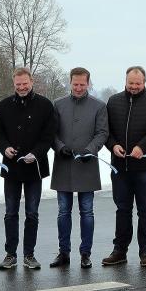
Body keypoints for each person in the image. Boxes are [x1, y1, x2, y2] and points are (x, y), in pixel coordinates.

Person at [103, 66, 146, 267]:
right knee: (122, 209)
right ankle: (119, 250)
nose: (134, 87)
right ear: (125, 81)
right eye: (131, 83)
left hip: (145, 166)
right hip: (120, 166)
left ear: (144, 82)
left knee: (145, 209)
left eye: (138, 84)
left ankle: (145, 251)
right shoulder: (113, 102)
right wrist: (113, 145)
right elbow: (106, 131)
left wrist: (142, 146)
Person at [0, 67, 56, 270]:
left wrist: (36, 153)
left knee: (32, 213)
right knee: (10, 212)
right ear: (14, 84)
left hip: (34, 167)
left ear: (32, 82)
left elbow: (48, 136)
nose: (21, 87)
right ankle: (10, 254)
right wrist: (5, 148)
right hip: (11, 167)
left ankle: (29, 254)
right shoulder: (4, 106)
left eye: (25, 84)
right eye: (18, 84)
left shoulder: (45, 105)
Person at [50, 67, 108, 269]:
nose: (78, 87)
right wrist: (60, 147)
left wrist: (90, 150)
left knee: (87, 211)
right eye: (75, 84)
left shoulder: (99, 106)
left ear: (88, 84)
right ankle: (63, 252)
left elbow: (102, 133)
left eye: (82, 84)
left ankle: (85, 253)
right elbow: (51, 132)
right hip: (63, 164)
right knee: (63, 211)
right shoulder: (58, 105)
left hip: (87, 165)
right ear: (70, 82)